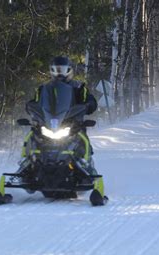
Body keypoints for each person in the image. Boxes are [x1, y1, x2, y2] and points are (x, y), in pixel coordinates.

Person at [23, 56, 106, 204]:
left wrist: (87, 105)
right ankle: (26, 164)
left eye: (62, 70)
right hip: (50, 124)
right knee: (32, 135)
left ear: (69, 71)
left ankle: (86, 165)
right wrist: (31, 107)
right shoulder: (44, 89)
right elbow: (35, 102)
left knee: (82, 138)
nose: (59, 73)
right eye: (56, 70)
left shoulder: (79, 87)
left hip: (72, 124)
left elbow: (91, 101)